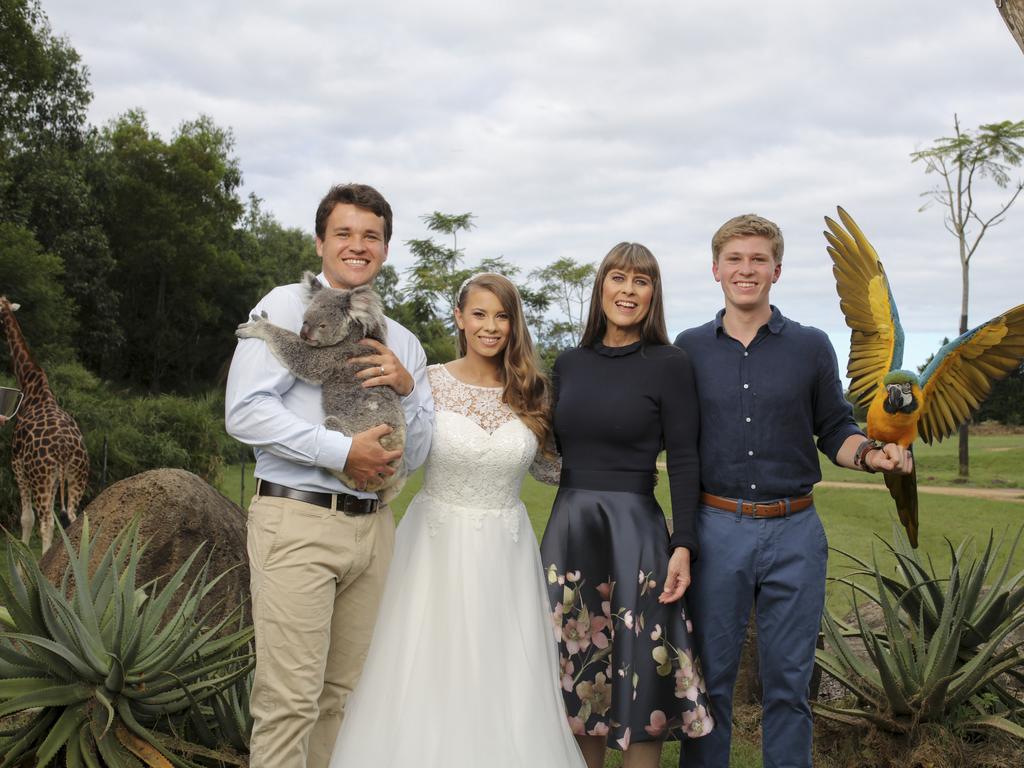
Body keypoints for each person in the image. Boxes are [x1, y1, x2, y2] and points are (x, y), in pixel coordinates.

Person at [674, 214, 913, 768]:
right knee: (710, 684)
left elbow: (835, 427)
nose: (746, 269)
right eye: (735, 259)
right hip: (717, 530)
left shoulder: (810, 346)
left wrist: (872, 454)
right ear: (715, 270)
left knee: (789, 686)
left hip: (795, 532)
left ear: (777, 270)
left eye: (758, 259)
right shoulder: (687, 349)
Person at [329, 273, 586, 767]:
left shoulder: (532, 392)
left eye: (503, 316)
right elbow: (398, 452)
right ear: (460, 319)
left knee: (504, 673)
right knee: (426, 669)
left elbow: (552, 469)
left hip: (506, 554)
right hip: (435, 547)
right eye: (480, 314)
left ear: (514, 324)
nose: (492, 327)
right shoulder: (426, 382)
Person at [225, 183, 434, 768]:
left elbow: (414, 455)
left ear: (386, 249)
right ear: (320, 242)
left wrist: (406, 389)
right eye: (344, 233)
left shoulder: (406, 344)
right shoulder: (288, 309)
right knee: (289, 701)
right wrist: (340, 452)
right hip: (299, 520)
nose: (357, 245)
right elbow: (243, 412)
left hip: (374, 531)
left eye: (371, 235)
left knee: (341, 699)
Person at [541, 243, 714, 768]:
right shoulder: (569, 363)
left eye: (642, 282)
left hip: (637, 531)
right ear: (602, 288)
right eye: (619, 278)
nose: (629, 291)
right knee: (576, 667)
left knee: (644, 665)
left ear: (653, 295)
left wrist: (683, 543)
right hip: (571, 528)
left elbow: (684, 459)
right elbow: (539, 443)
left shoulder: (670, 363)